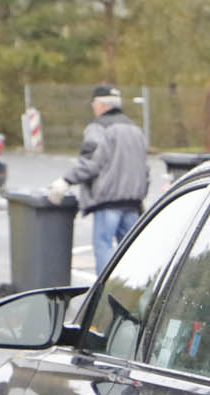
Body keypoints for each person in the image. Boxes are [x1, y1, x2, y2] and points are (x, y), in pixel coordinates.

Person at [48, 84, 150, 273]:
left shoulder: (98, 128)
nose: (93, 107)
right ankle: (133, 289)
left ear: (102, 104)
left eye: (94, 103)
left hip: (107, 202)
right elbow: (144, 168)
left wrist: (66, 180)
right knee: (130, 252)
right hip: (132, 203)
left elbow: (90, 162)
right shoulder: (135, 130)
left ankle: (104, 290)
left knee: (104, 247)